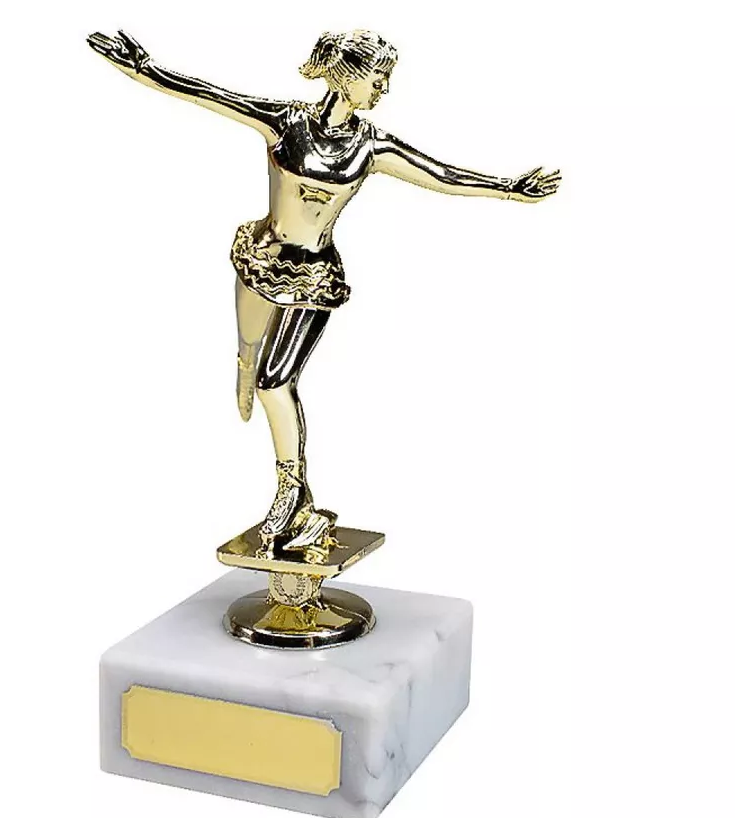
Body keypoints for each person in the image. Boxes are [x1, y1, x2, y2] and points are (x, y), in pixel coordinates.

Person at [87, 28, 560, 555]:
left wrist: (507, 188)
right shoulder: (286, 122)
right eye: (377, 79)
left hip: (312, 278)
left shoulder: (371, 147)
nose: (383, 90)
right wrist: (144, 68)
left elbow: (441, 175)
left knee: (274, 382)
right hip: (261, 258)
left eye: (385, 80)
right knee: (247, 355)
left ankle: (291, 488)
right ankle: (249, 387)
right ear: (347, 76)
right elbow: (209, 95)